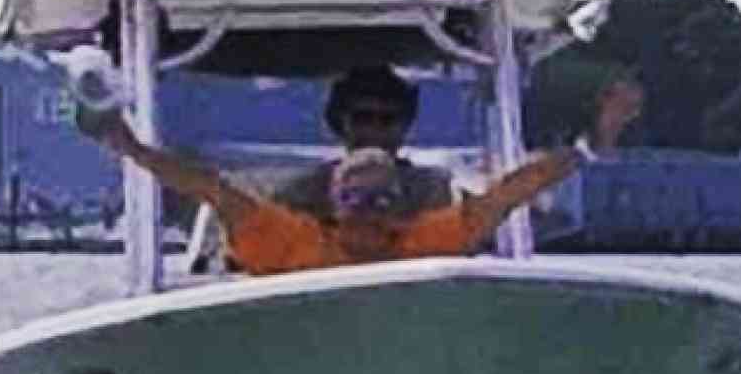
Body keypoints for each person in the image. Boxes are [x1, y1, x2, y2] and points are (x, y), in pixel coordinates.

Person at [90, 108, 619, 276]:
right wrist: (130, 148)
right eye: (357, 200)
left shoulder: (424, 246)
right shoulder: (289, 240)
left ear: (401, 205)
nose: (369, 213)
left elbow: (507, 196)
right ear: (334, 204)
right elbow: (212, 190)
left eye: (382, 200)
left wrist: (586, 149)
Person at [274, 64, 453, 218]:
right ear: (339, 123)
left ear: (405, 126)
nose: (374, 132)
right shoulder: (301, 194)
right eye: (362, 119)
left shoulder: (431, 193)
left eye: (387, 120)